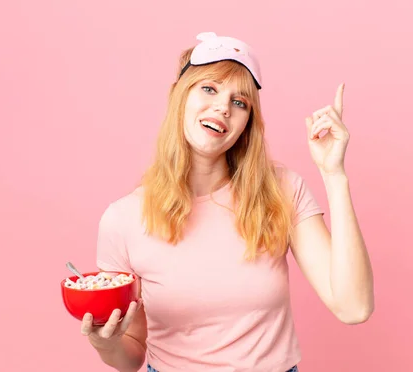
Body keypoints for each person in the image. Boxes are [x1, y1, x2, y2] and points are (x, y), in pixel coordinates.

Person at [80, 31, 374, 372]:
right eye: (209, 88)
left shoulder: (280, 190)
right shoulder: (123, 219)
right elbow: (131, 354)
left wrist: (333, 174)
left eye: (240, 102)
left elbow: (354, 307)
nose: (223, 106)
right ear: (179, 95)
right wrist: (106, 343)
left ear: (246, 124)